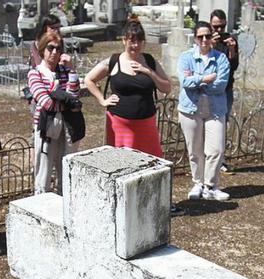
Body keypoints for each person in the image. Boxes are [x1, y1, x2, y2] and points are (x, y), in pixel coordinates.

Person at [84, 20, 171, 157]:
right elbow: (89, 79)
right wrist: (102, 100)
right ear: (124, 40)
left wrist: (148, 71)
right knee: (121, 162)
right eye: (132, 41)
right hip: (119, 124)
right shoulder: (113, 61)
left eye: (140, 41)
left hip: (146, 123)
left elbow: (166, 88)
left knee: (149, 161)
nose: (136, 45)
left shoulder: (149, 61)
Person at [177, 21, 232, 202]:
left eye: (208, 36)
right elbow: (185, 82)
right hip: (190, 109)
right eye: (200, 36)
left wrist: (196, 81)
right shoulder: (186, 57)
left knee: (215, 149)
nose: (204, 40)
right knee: (195, 150)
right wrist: (207, 78)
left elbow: (221, 85)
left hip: (215, 109)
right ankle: (198, 183)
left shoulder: (221, 58)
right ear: (195, 38)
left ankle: (210, 185)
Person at [28, 31, 80, 195]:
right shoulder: (35, 73)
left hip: (67, 126)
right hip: (47, 128)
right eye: (51, 48)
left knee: (65, 170)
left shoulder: (65, 71)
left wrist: (72, 70)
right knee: (43, 172)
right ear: (43, 49)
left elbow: (75, 95)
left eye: (58, 49)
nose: (55, 52)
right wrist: (67, 103)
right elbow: (46, 103)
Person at [210, 9, 239, 174]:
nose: (219, 31)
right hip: (210, 89)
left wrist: (232, 50)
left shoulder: (231, 40)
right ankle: (209, 157)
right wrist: (211, 46)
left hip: (226, 89)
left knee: (222, 123)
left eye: (222, 27)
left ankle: (220, 159)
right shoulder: (207, 39)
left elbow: (234, 66)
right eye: (216, 27)